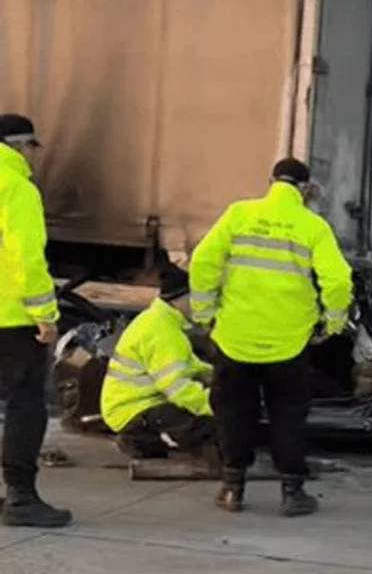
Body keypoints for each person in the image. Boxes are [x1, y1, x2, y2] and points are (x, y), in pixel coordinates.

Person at [189, 158, 352, 516]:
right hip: (289, 343)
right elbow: (338, 281)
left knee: (233, 413)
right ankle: (292, 493)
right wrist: (333, 323)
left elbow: (202, 262)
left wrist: (205, 315)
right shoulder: (313, 226)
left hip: (234, 337)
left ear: (271, 181)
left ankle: (232, 489)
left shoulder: (238, 215)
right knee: (288, 415)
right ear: (305, 189)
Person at [0, 113, 72, 528]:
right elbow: (29, 260)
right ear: (18, 146)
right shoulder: (18, 190)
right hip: (12, 321)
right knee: (26, 406)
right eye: (31, 147)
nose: (33, 155)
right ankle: (21, 497)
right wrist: (46, 317)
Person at [101, 266, 219, 467]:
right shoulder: (162, 333)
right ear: (184, 298)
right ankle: (142, 440)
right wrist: (216, 406)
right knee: (211, 426)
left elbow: (187, 365)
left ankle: (147, 440)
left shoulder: (163, 321)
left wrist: (217, 375)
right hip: (135, 410)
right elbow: (179, 389)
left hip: (137, 404)